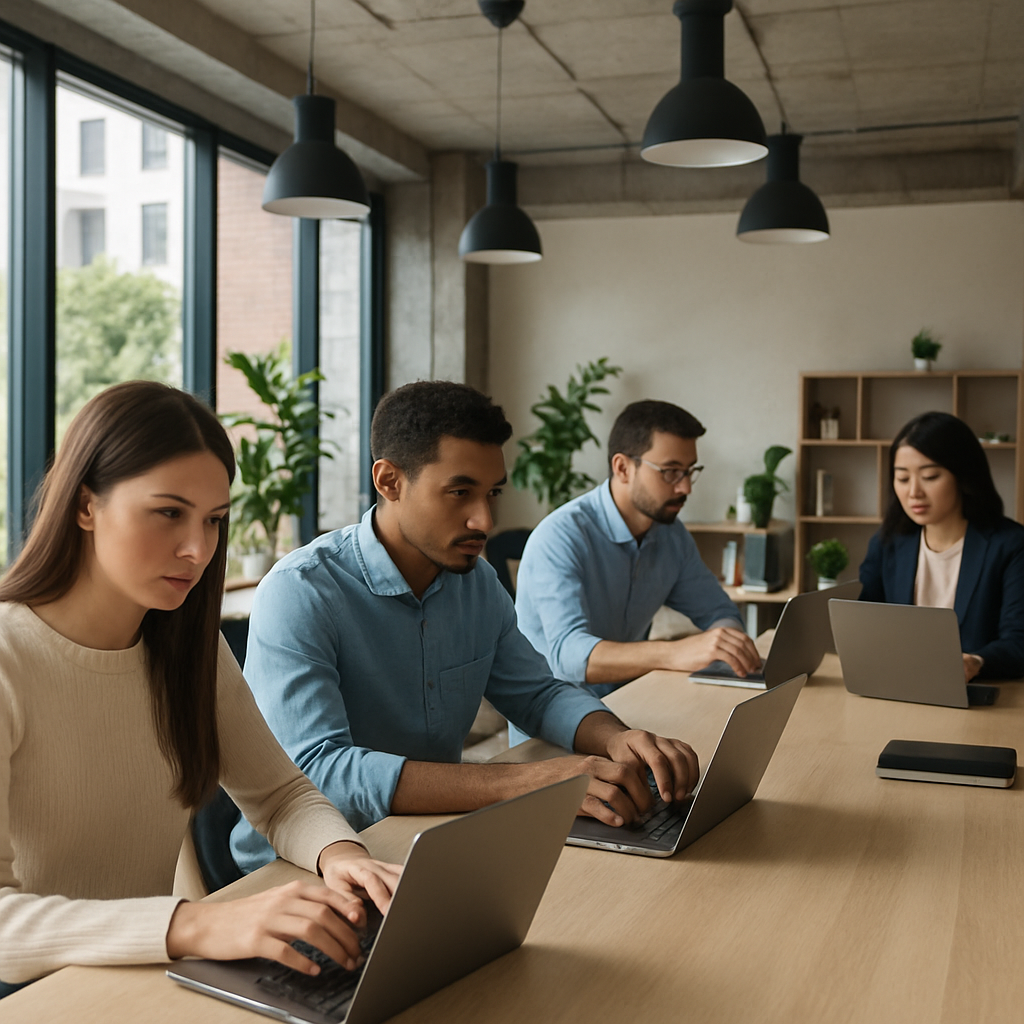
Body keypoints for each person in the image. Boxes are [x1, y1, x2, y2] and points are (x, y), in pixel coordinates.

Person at [0, 382, 401, 996]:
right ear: (85, 505)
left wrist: (343, 859)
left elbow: (282, 795)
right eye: (168, 512)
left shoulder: (187, 645)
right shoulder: (9, 656)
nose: (197, 549)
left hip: (136, 982)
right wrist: (194, 924)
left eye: (213, 520)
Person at [231, 381, 700, 874]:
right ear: (389, 481)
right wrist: (517, 784)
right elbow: (319, 772)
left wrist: (615, 738)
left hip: (428, 838)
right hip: (296, 870)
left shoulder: (476, 583)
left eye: (491, 492)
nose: (484, 520)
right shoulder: (301, 590)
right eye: (459, 492)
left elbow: (537, 694)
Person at [514, 400, 761, 704]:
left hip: (631, 705)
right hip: (552, 723)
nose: (686, 488)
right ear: (623, 468)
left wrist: (727, 651)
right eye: (670, 472)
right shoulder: (559, 537)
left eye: (689, 471)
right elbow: (570, 656)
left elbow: (720, 613)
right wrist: (675, 652)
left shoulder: (671, 535)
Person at [859, 410, 1024, 681]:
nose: (914, 492)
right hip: (898, 688)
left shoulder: (1011, 545)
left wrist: (977, 662)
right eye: (902, 478)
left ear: (963, 476)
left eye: (930, 476)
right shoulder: (886, 542)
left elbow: (1018, 642)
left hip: (980, 698)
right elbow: (859, 619)